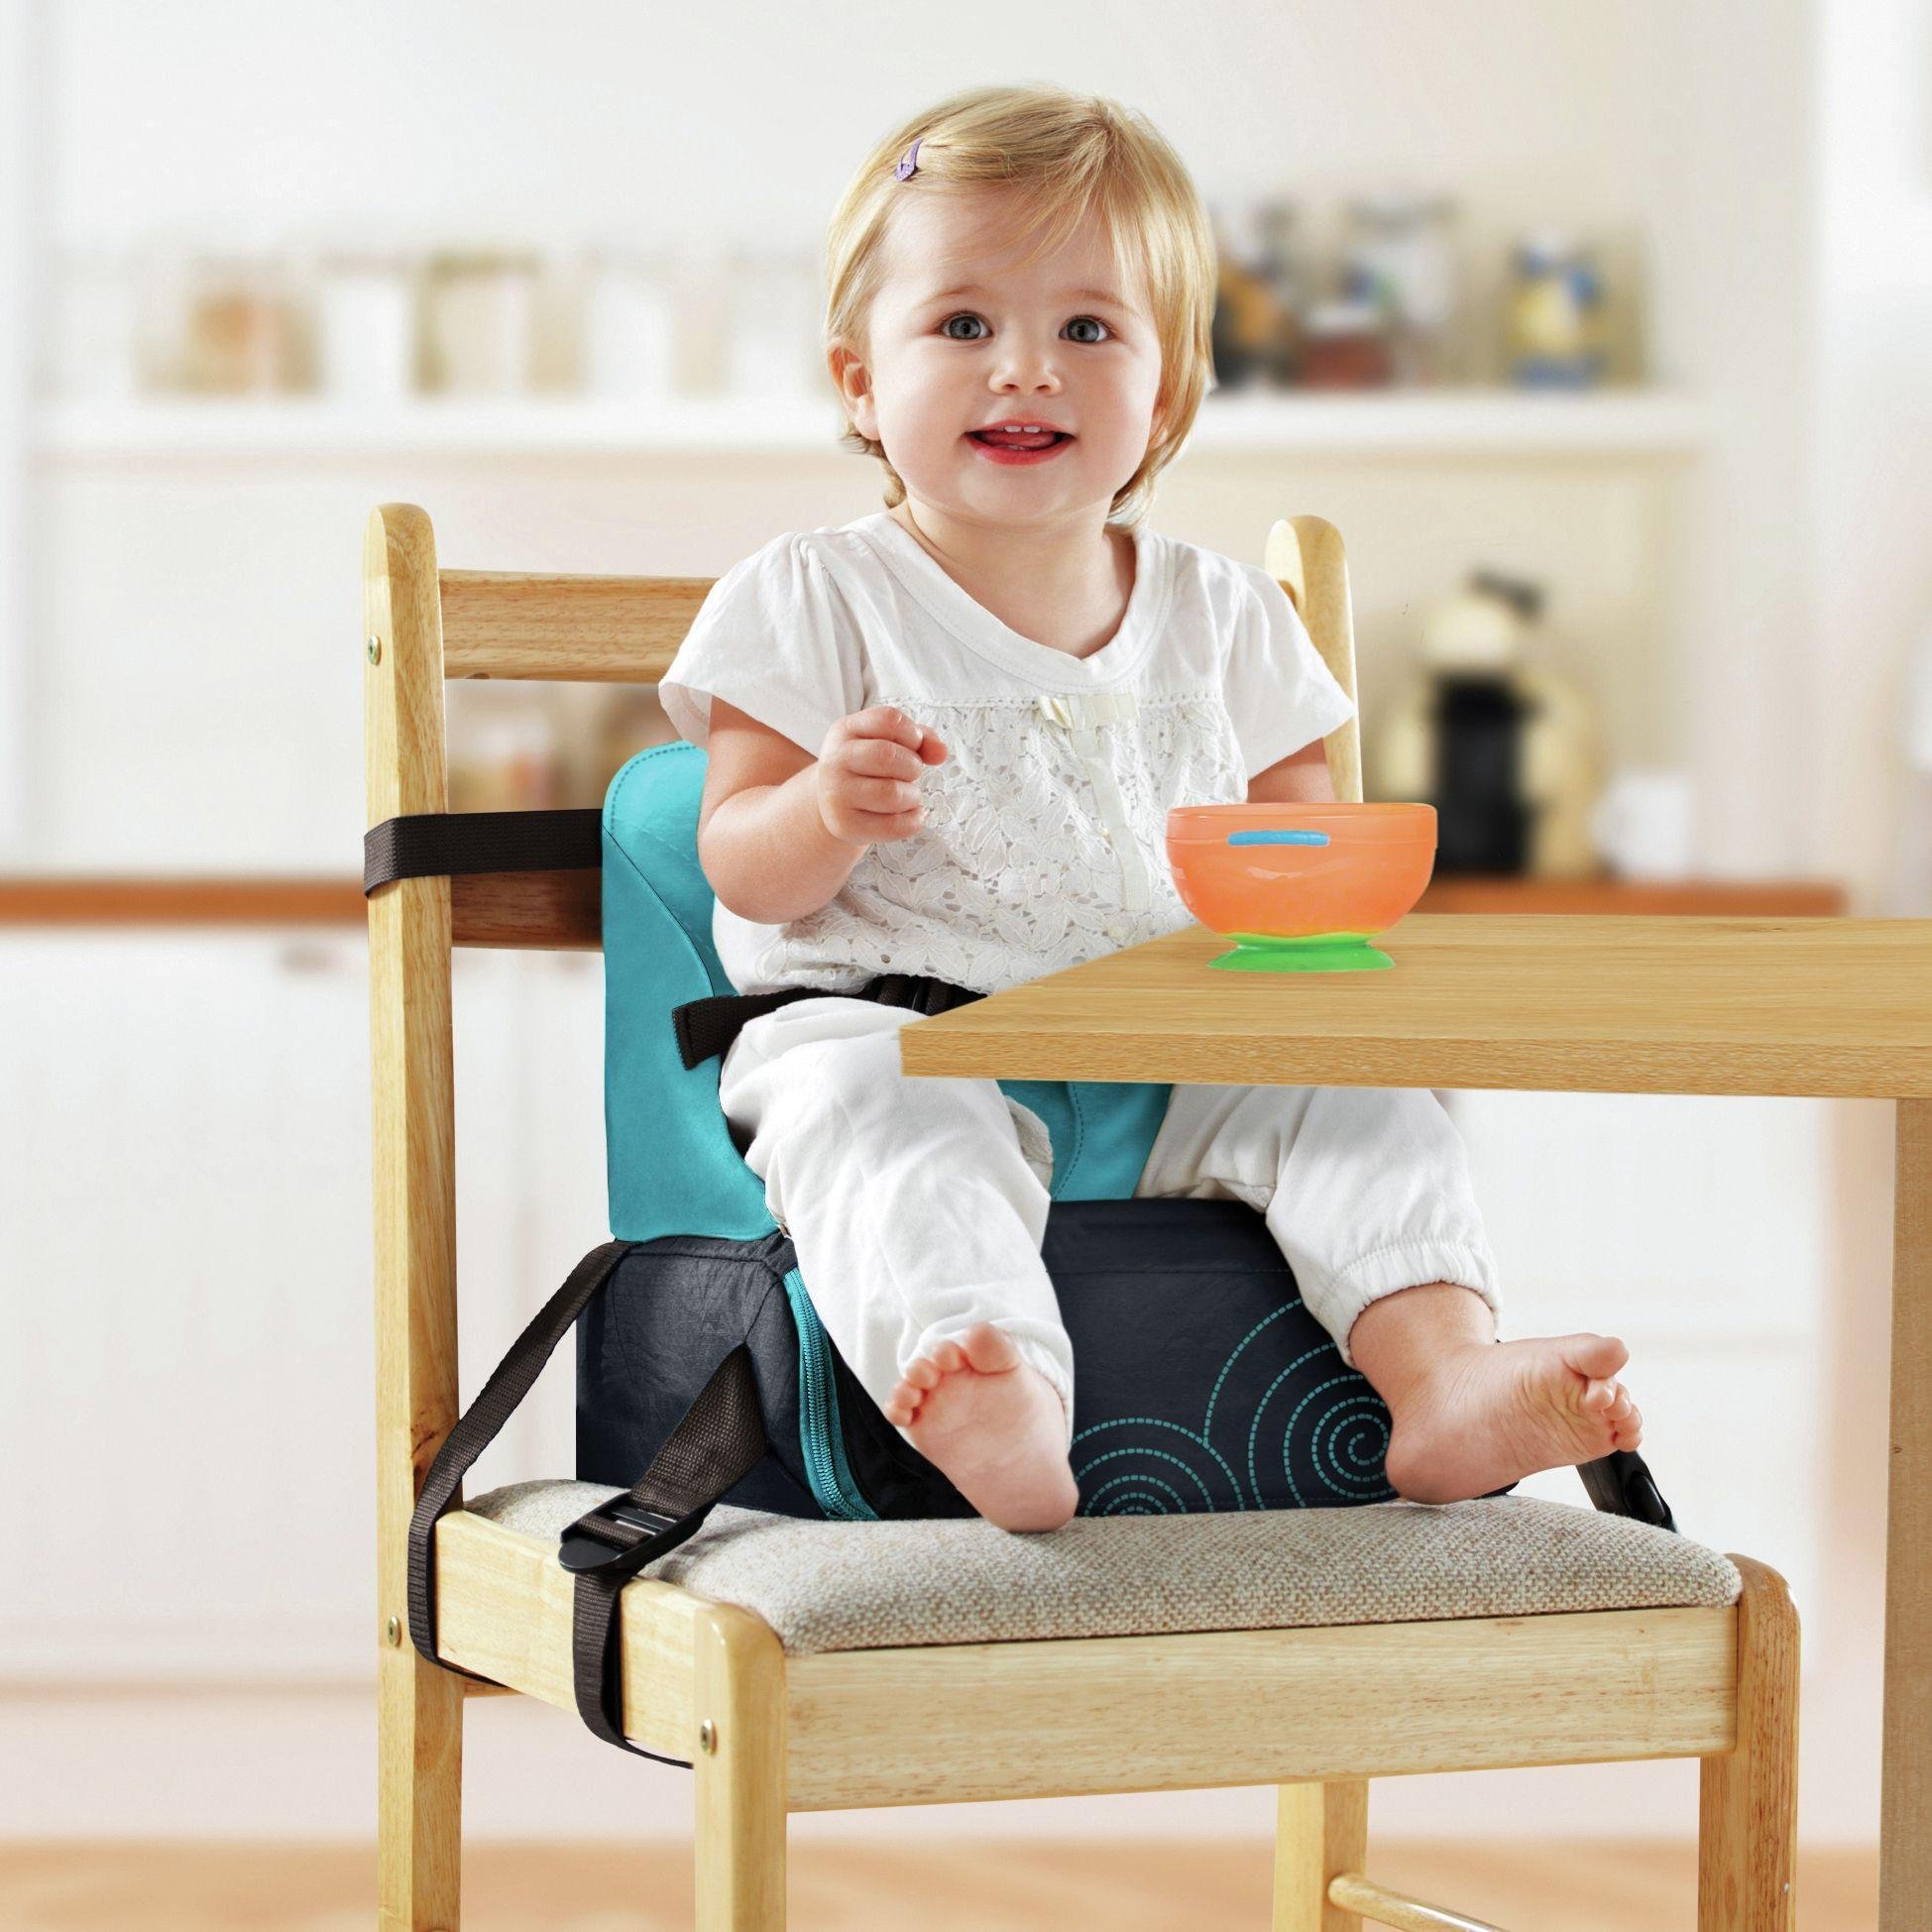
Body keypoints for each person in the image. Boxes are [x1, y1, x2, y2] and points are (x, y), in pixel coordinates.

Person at [655, 84, 1641, 1532]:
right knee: (867, 1112)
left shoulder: (1227, 616)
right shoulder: (810, 596)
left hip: (1173, 1049)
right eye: (963, 325)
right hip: (908, 1033)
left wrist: (1321, 899)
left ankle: (1441, 1375)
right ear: (859, 380)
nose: (1026, 373)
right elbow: (740, 867)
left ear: (1168, 392)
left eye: (1088, 330)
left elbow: (1298, 843)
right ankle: (989, 1385)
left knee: (1368, 1100)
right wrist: (819, 804)